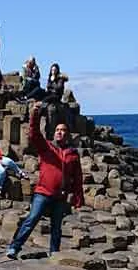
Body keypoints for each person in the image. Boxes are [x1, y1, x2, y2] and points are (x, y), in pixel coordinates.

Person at [7, 103, 83, 258]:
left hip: (60, 196)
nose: (59, 132)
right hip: (43, 192)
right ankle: (14, 247)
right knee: (32, 219)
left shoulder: (73, 154)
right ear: (54, 133)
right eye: (57, 130)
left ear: (68, 134)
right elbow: (34, 133)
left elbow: (77, 177)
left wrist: (78, 196)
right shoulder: (46, 148)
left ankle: (54, 253)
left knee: (57, 226)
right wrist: (35, 113)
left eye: (63, 130)